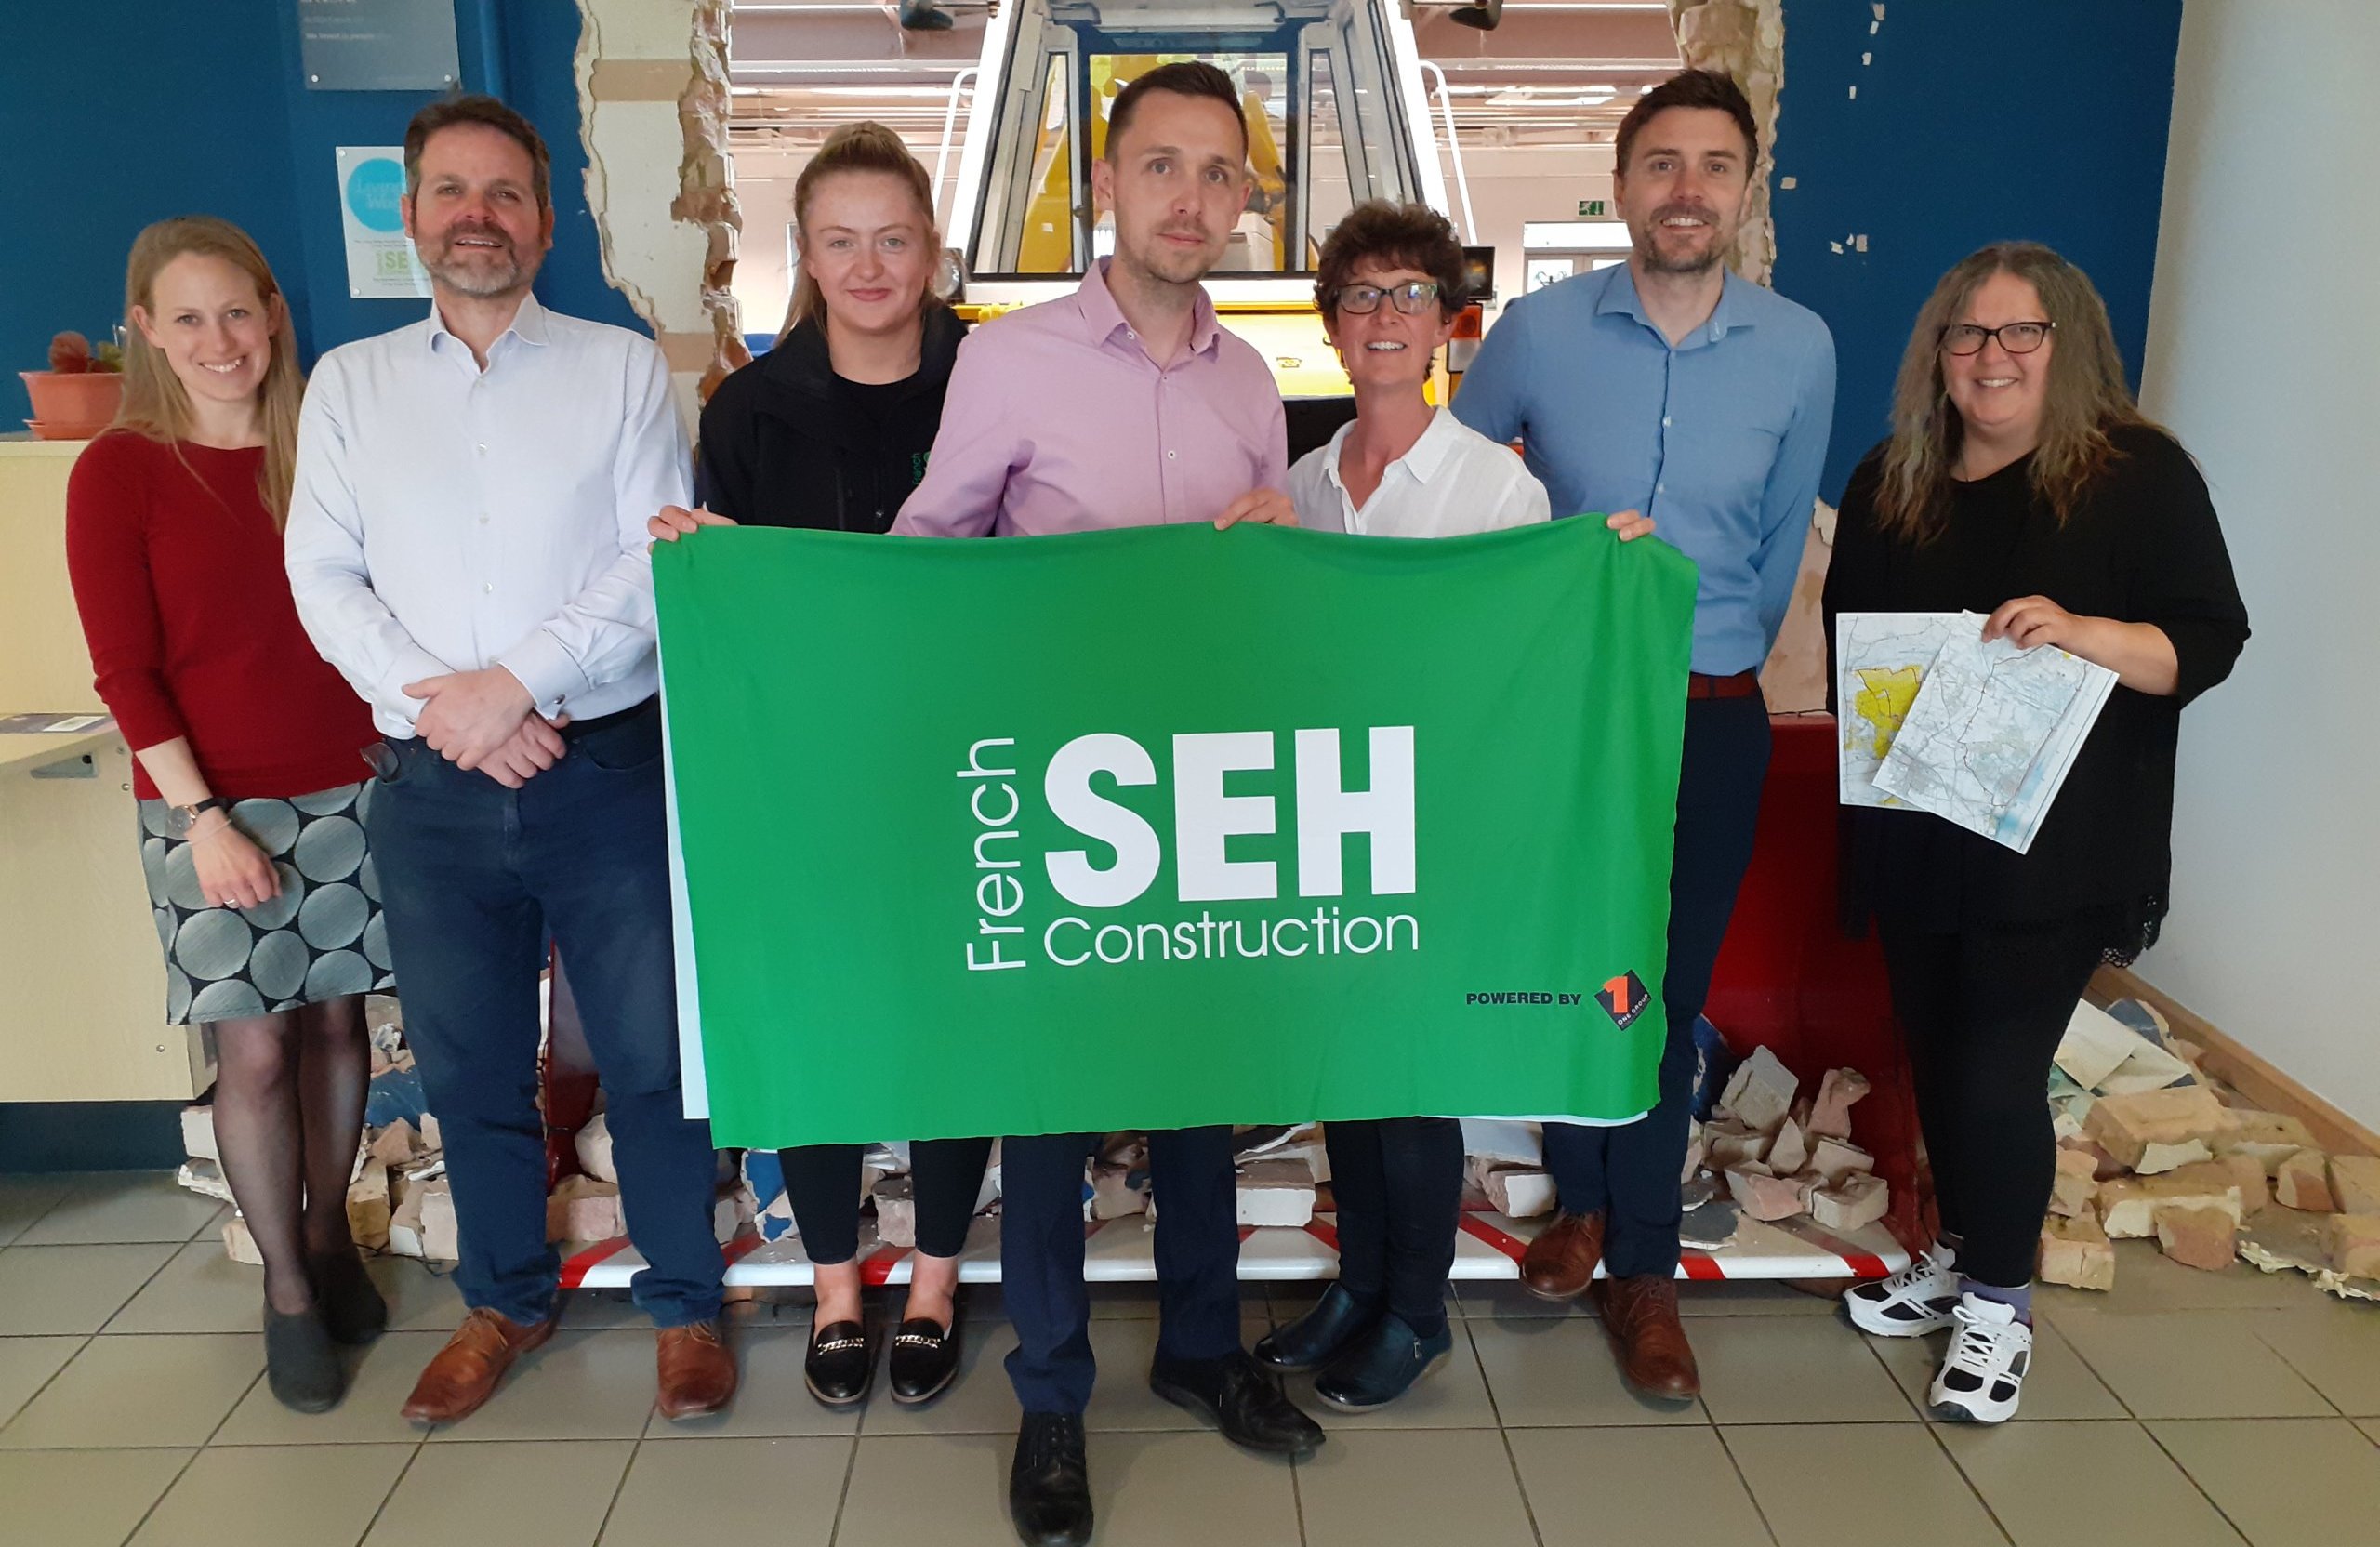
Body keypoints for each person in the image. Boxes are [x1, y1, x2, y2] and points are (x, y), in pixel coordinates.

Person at [891, 60, 1318, 1547]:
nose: (1191, 198)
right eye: (1162, 166)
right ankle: (1055, 1399)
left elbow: (1277, 604)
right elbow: (929, 548)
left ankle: (1204, 1350)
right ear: (1108, 185)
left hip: (1204, 798)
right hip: (1063, 800)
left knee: (1201, 1094)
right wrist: (754, 582)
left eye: (1220, 173)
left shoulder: (1251, 380)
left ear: (1244, 201)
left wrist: (1279, 542)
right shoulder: (1010, 361)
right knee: (1055, 1110)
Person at [284, 94, 734, 1428]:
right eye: (451, 192)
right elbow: (324, 577)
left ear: (545, 220)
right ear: (412, 212)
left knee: (651, 1058)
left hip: (600, 770)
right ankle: (506, 1301)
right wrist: (455, 711)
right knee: (474, 1065)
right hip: (434, 788)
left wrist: (515, 684)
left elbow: (651, 564)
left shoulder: (619, 366)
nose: (478, 215)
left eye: (505, 194)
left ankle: (687, 1306)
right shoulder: (351, 386)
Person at [1451, 67, 1836, 1400]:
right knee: (1573, 966)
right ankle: (1580, 1201)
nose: (1687, 189)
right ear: (1620, 189)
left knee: (1665, 988)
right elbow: (1459, 504)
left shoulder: (1801, 347)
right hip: (1565, 721)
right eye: (1661, 164)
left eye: (1714, 165)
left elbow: (1784, 542)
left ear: (1744, 188)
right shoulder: (1537, 336)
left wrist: (1718, 663)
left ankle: (1644, 1264)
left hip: (1711, 716)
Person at [1826, 242, 2246, 1422]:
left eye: (2020, 333)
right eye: (1968, 335)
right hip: (1919, 822)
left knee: (1995, 1067)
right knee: (1936, 1045)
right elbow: (1851, 630)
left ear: (2067, 345)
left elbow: (2200, 644)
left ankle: (1999, 1309)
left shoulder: (2136, 477)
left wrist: (2079, 630)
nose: (1991, 357)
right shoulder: (1887, 478)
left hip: (2057, 841)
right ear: (1937, 354)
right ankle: (1961, 1253)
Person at [1255, 200, 1655, 1408]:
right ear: (1331, 326)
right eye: (1361, 297)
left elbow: (1518, 660)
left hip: (1435, 820)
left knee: (1413, 1077)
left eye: (1409, 296)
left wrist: (1603, 573)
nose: (1385, 318)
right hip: (1326, 814)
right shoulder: (1304, 483)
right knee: (1347, 1074)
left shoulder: (1495, 489)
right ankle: (1359, 1282)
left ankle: (1415, 1311)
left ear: (1447, 323)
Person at [648, 121, 988, 1409]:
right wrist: (702, 560)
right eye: (838, 240)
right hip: (804, 779)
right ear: (806, 254)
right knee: (817, 1018)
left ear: (932, 251)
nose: (868, 263)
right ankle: (840, 1281)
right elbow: (731, 599)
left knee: (959, 1021)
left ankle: (941, 1276)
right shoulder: (749, 409)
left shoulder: (994, 384)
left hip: (966, 764)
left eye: (893, 237)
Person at [64, 217, 391, 1413]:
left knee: (341, 1029)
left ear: (274, 316)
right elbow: (125, 668)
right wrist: (202, 815)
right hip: (207, 804)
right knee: (256, 1048)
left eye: (238, 312)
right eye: (188, 317)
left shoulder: (328, 445)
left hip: (351, 783)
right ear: (145, 329)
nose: (219, 341)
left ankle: (333, 1235)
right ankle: (289, 1291)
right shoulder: (121, 470)